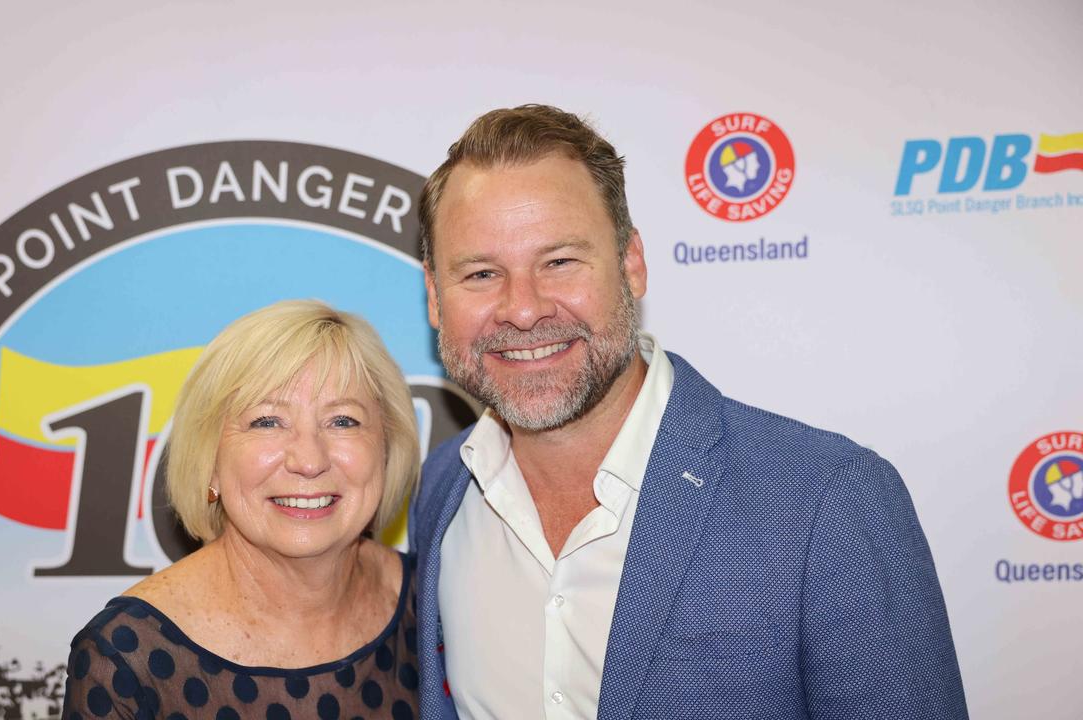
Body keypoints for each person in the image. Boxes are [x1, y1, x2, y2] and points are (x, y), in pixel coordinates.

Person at [409, 105, 968, 720]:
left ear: (631, 264)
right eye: (482, 273)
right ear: (436, 297)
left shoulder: (826, 501)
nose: (522, 309)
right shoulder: (441, 492)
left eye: (560, 261)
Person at [63, 300, 422, 720]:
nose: (309, 460)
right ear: (210, 459)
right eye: (267, 421)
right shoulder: (127, 659)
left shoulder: (433, 602)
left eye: (343, 421)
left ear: (386, 448)